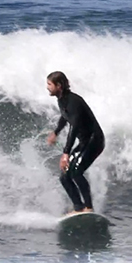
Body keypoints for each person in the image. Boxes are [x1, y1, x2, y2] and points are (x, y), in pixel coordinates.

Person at [45, 71, 105, 214]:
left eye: (49, 84)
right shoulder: (62, 100)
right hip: (85, 141)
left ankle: (88, 208)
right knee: (65, 177)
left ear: (58, 85)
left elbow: (75, 126)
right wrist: (56, 132)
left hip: (94, 140)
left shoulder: (74, 101)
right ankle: (79, 207)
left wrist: (66, 153)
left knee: (76, 173)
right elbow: (65, 117)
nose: (47, 87)